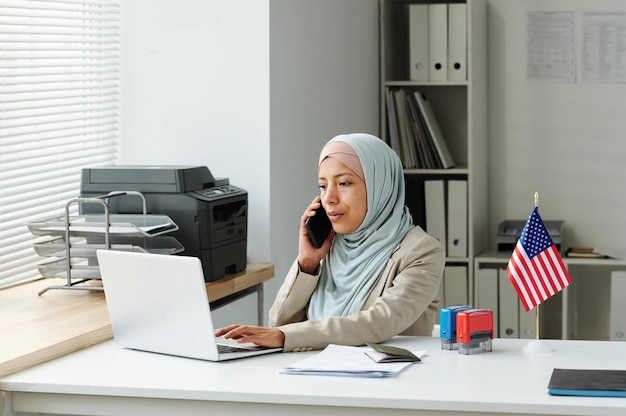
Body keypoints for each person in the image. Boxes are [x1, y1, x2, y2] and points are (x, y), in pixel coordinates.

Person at [215, 133, 445, 352]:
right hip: (317, 374)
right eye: (323, 186)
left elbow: (380, 322)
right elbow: (279, 321)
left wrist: (286, 336)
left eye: (344, 183)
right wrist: (307, 263)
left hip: (389, 381)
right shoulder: (331, 244)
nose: (329, 198)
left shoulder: (421, 251)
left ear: (380, 186)